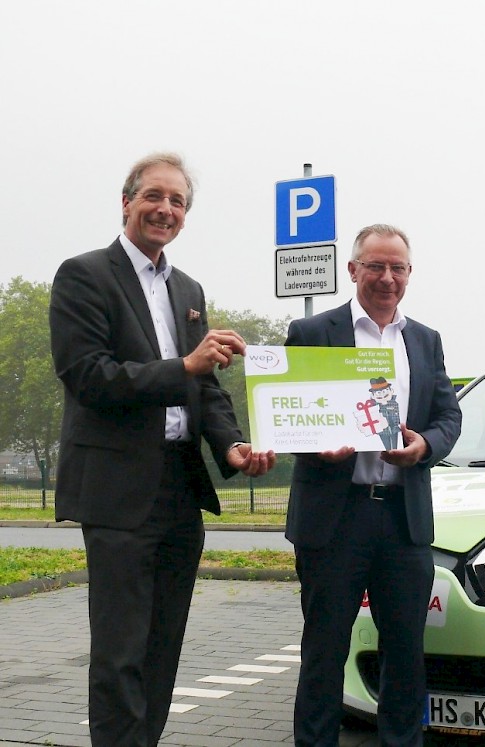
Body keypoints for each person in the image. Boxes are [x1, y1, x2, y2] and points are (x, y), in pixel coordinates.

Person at [49, 152, 276, 746]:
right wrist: (185, 365)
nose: (165, 209)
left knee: (161, 648)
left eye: (177, 202)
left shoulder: (189, 289)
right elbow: (89, 376)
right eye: (154, 196)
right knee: (120, 653)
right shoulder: (83, 275)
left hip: (179, 490)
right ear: (126, 202)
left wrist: (231, 446)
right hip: (118, 494)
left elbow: (205, 384)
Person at [285, 224, 462, 746]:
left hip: (402, 519)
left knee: (406, 653)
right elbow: (286, 415)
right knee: (324, 653)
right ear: (353, 269)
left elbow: (449, 417)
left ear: (409, 274)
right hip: (335, 519)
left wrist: (424, 446)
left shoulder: (424, 340)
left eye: (398, 268)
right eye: (376, 267)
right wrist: (315, 445)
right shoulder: (313, 331)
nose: (387, 278)